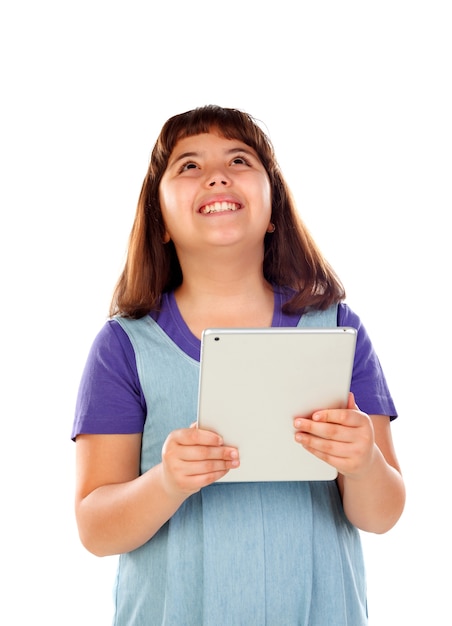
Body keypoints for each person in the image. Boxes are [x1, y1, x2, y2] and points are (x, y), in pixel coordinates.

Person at [72, 104, 405, 625]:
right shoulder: (123, 348)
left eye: (239, 159)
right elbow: (95, 528)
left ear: (273, 210)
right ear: (159, 220)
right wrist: (167, 482)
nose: (217, 175)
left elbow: (382, 514)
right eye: (189, 166)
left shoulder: (338, 330)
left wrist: (362, 463)